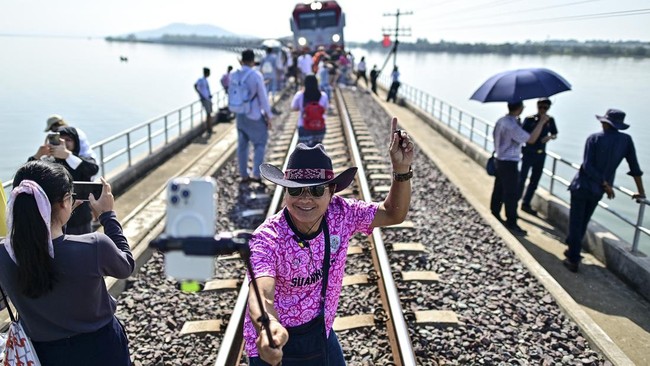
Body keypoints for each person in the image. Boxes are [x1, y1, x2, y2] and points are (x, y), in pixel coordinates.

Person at [244, 118, 414, 365]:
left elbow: (393, 213)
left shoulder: (342, 214)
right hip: (271, 340)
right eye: (295, 189)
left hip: (319, 332)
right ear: (284, 192)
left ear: (331, 191)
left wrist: (401, 171)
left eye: (315, 190)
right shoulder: (267, 238)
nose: (305, 199)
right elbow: (261, 293)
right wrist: (268, 325)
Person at [0, 160, 134, 365]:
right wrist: (108, 216)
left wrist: (59, 216)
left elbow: (47, 247)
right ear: (64, 202)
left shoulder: (4, 253)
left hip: (43, 354)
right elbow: (126, 266)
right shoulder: (95, 245)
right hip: (101, 348)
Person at [564, 109, 645, 272]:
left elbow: (587, 166)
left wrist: (604, 183)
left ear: (605, 123)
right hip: (597, 191)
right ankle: (573, 250)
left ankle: (573, 259)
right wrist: (641, 192)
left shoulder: (593, 138)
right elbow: (635, 168)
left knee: (576, 222)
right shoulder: (626, 140)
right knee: (584, 220)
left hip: (582, 186)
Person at [490, 101, 547, 236]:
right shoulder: (511, 126)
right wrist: (541, 122)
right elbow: (531, 139)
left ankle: (495, 211)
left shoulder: (502, 121)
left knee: (499, 187)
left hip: (499, 158)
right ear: (520, 108)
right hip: (509, 162)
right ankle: (512, 222)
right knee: (511, 193)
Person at [30, 126, 99, 234]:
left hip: (79, 219)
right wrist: (38, 155)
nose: (64, 143)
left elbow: (93, 169)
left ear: (76, 142)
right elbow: (27, 175)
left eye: (68, 140)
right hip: (54, 219)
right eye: (60, 140)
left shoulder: (81, 160)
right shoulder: (48, 161)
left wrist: (68, 155)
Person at [235, 49, 274, 184]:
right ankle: (256, 174)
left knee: (242, 145)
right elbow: (263, 98)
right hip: (254, 115)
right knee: (259, 144)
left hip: (239, 114)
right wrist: (269, 116)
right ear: (252, 60)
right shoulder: (256, 75)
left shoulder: (234, 74)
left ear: (242, 59)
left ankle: (244, 174)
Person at [518, 98, 559, 215]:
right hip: (528, 152)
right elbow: (525, 137)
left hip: (540, 154)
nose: (542, 110)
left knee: (534, 181)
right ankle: (515, 201)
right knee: (522, 178)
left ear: (548, 108)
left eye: (545, 108)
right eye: (540, 107)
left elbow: (555, 133)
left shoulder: (550, 120)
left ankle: (526, 203)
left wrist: (549, 137)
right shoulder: (530, 119)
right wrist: (540, 123)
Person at [291, 74, 329, 147]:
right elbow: (326, 109)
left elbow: (293, 107)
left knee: (306, 150)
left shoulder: (300, 95)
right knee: (317, 150)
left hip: (304, 126)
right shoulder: (323, 95)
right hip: (319, 126)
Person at [194, 67, 213, 135]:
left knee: (209, 113)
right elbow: (195, 85)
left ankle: (210, 128)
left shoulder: (205, 80)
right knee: (208, 113)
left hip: (207, 98)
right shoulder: (201, 79)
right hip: (205, 98)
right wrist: (200, 95)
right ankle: (209, 129)